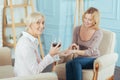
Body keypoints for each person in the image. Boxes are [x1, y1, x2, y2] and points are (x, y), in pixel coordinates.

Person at [14, 12, 68, 76]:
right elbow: (36, 71)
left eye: (43, 23)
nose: (42, 26)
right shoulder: (25, 44)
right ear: (30, 25)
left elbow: (39, 63)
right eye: (38, 23)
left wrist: (58, 55)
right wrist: (50, 55)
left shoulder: (31, 40)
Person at [66, 7, 103, 80]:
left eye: (90, 20)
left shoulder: (98, 33)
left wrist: (75, 51)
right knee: (68, 64)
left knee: (75, 62)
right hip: (80, 57)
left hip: (92, 58)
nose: (86, 21)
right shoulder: (77, 29)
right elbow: (74, 43)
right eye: (85, 18)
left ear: (95, 21)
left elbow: (89, 52)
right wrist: (74, 47)